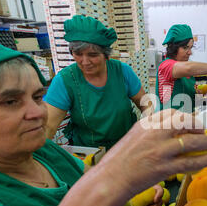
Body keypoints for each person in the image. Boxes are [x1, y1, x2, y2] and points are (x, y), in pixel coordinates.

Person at [0, 39, 207, 206]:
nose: (36, 113)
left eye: (37, 97)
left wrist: (130, 196)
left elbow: (88, 176)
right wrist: (115, 177)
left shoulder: (44, 152)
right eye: (10, 102)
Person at [45, 15, 151, 150]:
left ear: (106, 55)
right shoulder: (65, 80)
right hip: (90, 153)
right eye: (78, 54)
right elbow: (48, 127)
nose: (85, 61)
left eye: (93, 55)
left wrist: (149, 127)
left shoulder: (122, 71)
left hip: (127, 147)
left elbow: (145, 103)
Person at [156, 24, 207, 113]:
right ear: (173, 48)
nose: (190, 52)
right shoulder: (165, 66)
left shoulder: (185, 72)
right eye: (185, 48)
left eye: (191, 48)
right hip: (169, 123)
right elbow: (189, 68)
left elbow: (191, 102)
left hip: (186, 120)